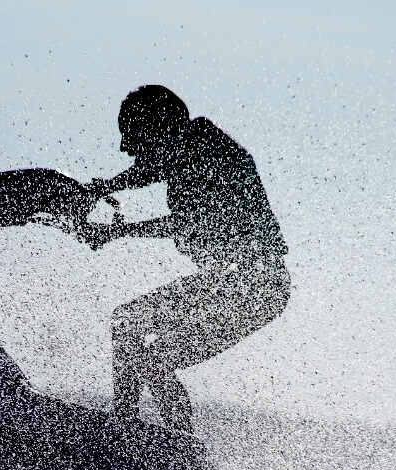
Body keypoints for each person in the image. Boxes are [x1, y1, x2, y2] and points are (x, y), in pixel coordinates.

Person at [80, 85, 290, 433]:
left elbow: (187, 222)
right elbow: (151, 170)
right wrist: (104, 188)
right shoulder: (190, 145)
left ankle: (149, 436)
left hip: (255, 287)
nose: (124, 147)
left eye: (131, 135)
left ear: (159, 128)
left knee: (148, 348)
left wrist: (115, 232)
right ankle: (131, 427)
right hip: (233, 282)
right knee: (133, 332)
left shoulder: (210, 153)